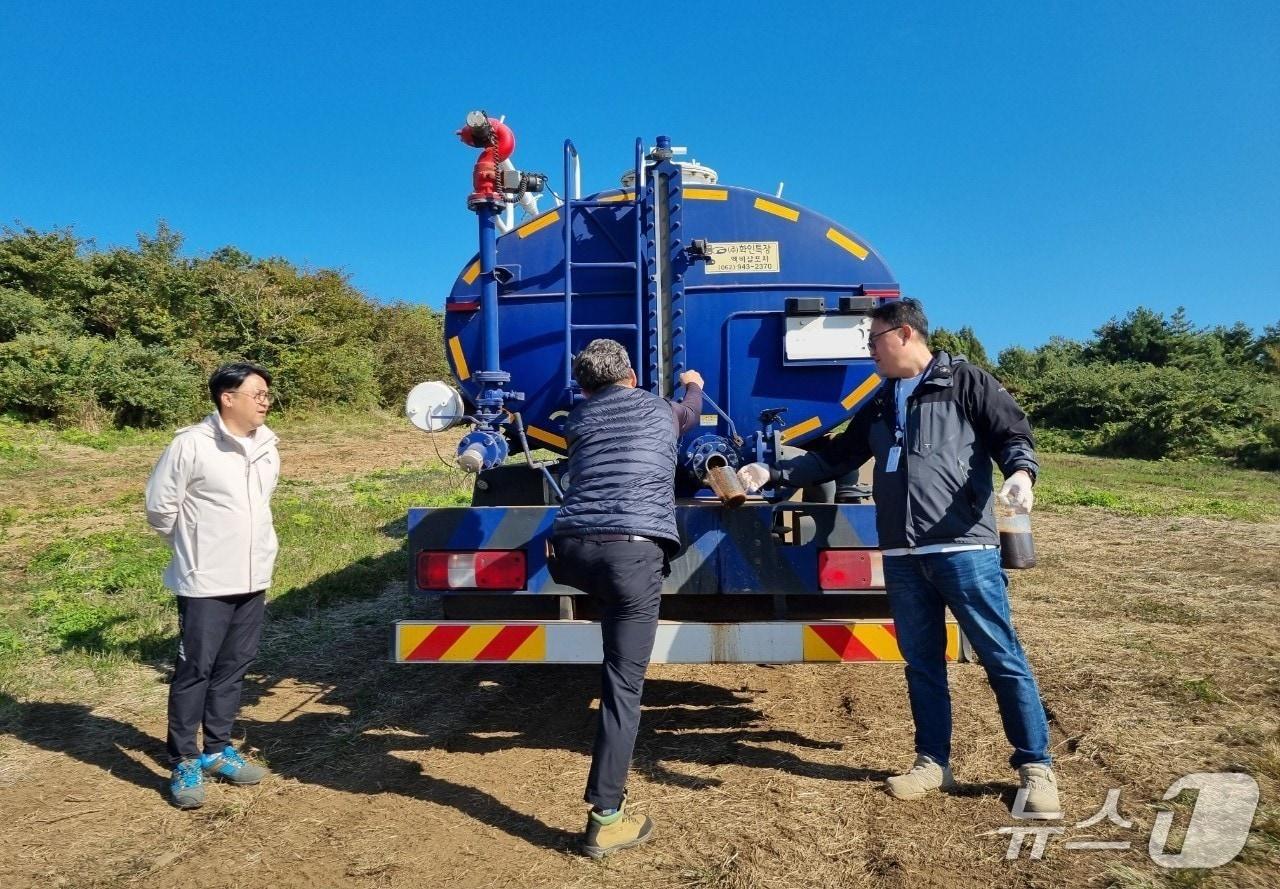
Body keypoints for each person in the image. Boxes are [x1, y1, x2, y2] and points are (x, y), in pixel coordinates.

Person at [737, 298, 1061, 819]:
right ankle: (932, 762)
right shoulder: (884, 400)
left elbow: (1012, 435)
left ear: (905, 334)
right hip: (905, 556)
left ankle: (1035, 767)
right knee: (922, 665)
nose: (869, 352)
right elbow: (840, 455)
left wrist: (1021, 474)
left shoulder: (966, 382)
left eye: (873, 340)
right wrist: (773, 475)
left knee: (1002, 659)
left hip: (964, 549)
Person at [550, 339, 704, 858]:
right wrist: (693, 386)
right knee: (623, 686)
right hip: (631, 553)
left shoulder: (577, 420)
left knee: (609, 600)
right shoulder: (662, 410)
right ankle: (606, 819)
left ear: (585, 387)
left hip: (570, 551)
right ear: (633, 377)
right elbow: (690, 415)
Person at [145, 362, 280, 809]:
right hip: (205, 580)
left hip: (252, 577)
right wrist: (195, 546)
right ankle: (184, 759)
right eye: (258, 393)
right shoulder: (191, 445)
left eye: (267, 394)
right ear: (228, 397)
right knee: (195, 671)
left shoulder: (266, 445)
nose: (266, 401)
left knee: (234, 666)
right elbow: (160, 508)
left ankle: (218, 749)